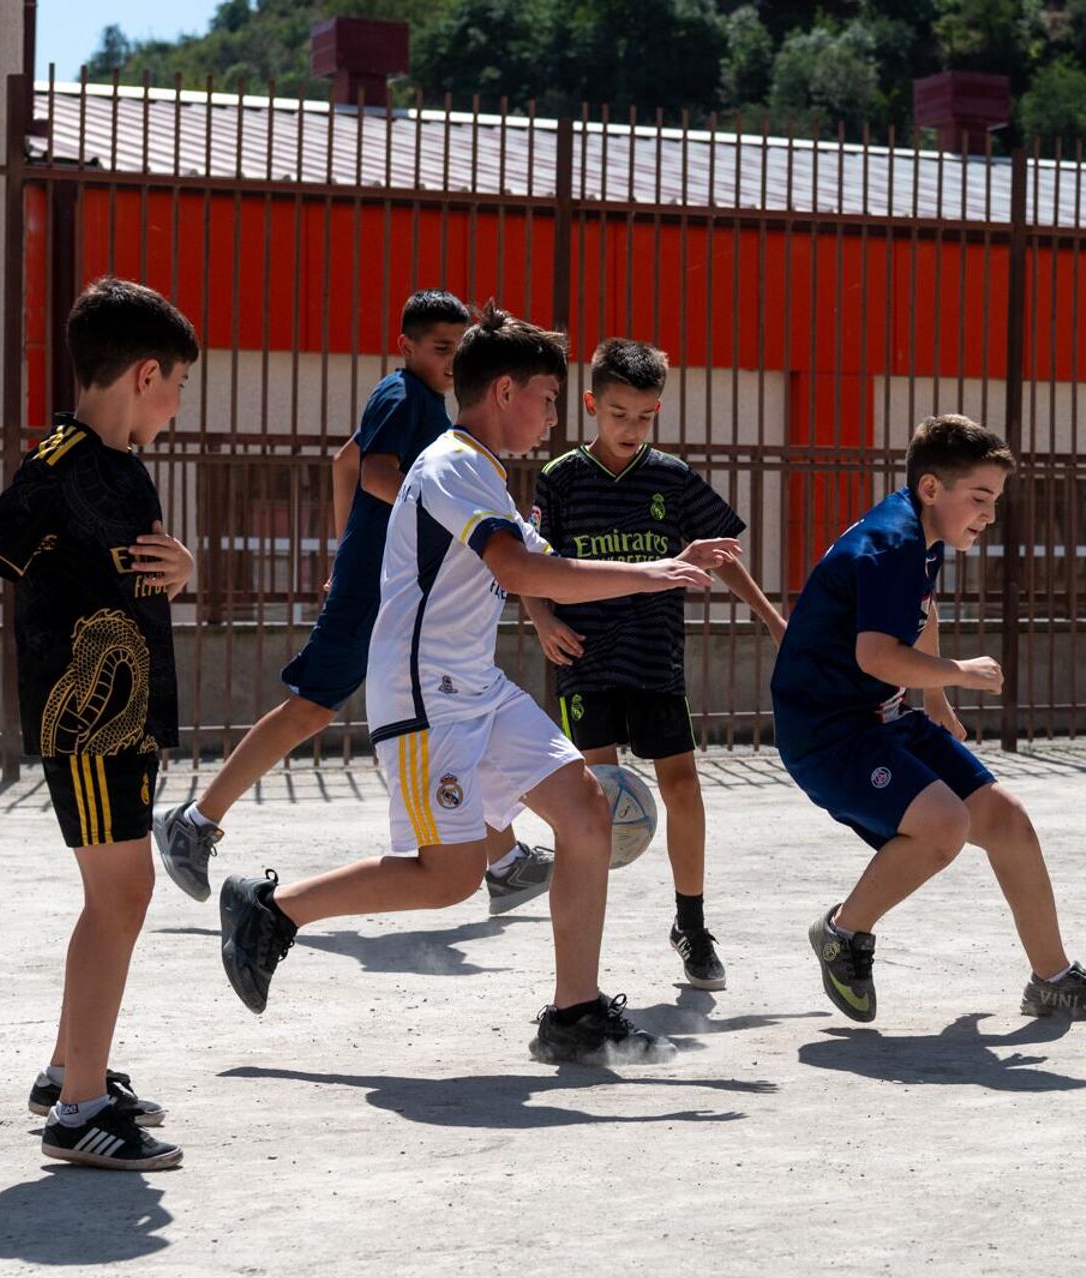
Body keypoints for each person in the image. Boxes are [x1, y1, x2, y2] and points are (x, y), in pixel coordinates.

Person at [216, 302, 740, 1064]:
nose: (555, 417)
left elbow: (546, 567)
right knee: (448, 877)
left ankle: (575, 1013)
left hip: (477, 687)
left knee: (586, 811)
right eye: (549, 398)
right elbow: (521, 569)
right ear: (503, 393)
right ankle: (274, 911)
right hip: (427, 696)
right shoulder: (452, 463)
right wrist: (650, 572)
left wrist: (660, 561)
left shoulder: (484, 475)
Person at [0, 276, 198, 1170]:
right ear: (146, 374)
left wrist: (184, 567)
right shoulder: (60, 463)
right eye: (178, 387)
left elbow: (132, 571)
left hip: (126, 722)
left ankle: (71, 1069)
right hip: (89, 723)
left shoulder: (119, 467)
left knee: (113, 897)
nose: (177, 407)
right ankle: (79, 1111)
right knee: (122, 897)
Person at [152, 290, 554, 914]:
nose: (451, 360)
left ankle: (500, 857)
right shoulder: (403, 396)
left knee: (448, 710)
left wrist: (346, 548)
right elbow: (372, 472)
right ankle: (197, 820)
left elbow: (345, 460)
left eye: (459, 347)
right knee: (313, 708)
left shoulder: (430, 409)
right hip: (380, 586)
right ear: (407, 347)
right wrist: (417, 524)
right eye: (440, 348)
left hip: (392, 583)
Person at [771, 414, 1086, 1025]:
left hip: (882, 715)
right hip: (828, 734)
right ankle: (844, 932)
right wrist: (956, 673)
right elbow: (875, 654)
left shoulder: (922, 532)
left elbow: (920, 610)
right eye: (979, 498)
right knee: (944, 825)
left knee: (1008, 823)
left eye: (994, 500)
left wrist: (937, 701)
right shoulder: (892, 543)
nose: (990, 515)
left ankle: (1053, 979)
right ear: (930, 488)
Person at [523, 338, 785, 991]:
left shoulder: (671, 478)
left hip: (654, 658)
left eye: (643, 417)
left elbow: (722, 556)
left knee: (682, 788)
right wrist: (542, 618)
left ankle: (691, 927)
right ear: (590, 404)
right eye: (617, 414)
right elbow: (524, 556)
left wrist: (773, 619)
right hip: (584, 660)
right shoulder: (560, 479)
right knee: (594, 807)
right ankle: (588, 953)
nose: (630, 428)